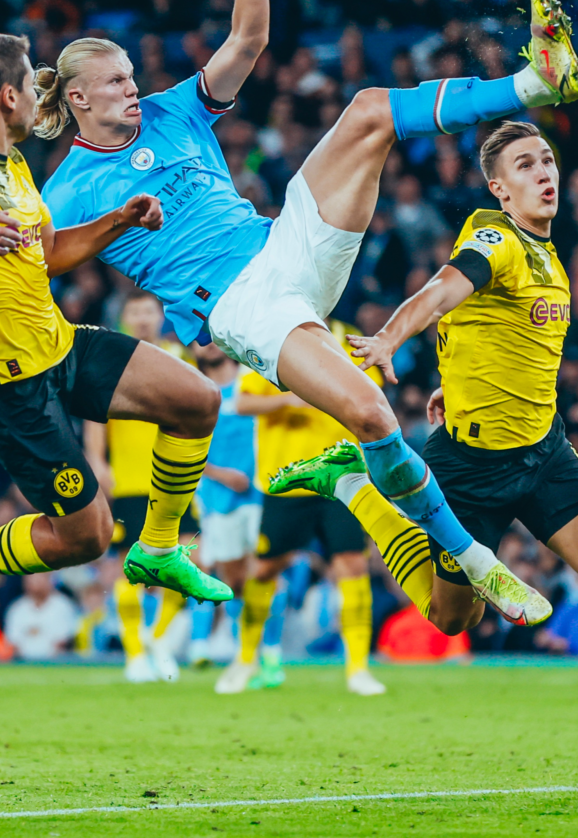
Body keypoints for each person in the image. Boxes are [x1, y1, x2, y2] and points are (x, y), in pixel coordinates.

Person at [29, 0, 578, 626]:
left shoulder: (172, 111)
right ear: (79, 98)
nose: (133, 88)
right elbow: (35, 267)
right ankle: (477, 561)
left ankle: (534, 82)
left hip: (284, 243)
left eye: (132, 75)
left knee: (368, 111)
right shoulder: (68, 189)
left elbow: (248, 40)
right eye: (116, 82)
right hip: (241, 305)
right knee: (371, 413)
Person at [272, 122, 578, 794]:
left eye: (547, 160)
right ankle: (354, 486)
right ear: (500, 188)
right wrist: (390, 338)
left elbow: (492, 332)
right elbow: (444, 290)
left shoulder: (550, 258)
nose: (543, 172)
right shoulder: (496, 237)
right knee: (454, 619)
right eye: (525, 165)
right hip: (471, 466)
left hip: (543, 450)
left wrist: (455, 381)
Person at [0, 32, 231, 614]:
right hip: (8, 387)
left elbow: (49, 250)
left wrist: (121, 219)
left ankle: (158, 549)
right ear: (8, 96)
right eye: (31, 84)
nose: (38, 94)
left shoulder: (12, 163)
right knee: (87, 538)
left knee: (196, 401)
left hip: (59, 346)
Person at [217, 320, 385, 697]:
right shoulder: (270, 337)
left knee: (352, 565)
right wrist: (289, 399)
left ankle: (358, 669)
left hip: (341, 478)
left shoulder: (348, 339)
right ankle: (245, 660)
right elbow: (242, 402)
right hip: (287, 479)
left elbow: (370, 399)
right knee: (264, 570)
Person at [82, 292, 188, 684]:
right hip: (130, 481)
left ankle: (158, 640)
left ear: (161, 316)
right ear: (125, 317)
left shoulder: (181, 357)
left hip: (177, 479)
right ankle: (135, 654)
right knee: (130, 570)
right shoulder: (112, 357)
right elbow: (95, 415)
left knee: (185, 565)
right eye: (135, 312)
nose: (143, 318)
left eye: (148, 311)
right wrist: (98, 461)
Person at [187, 341, 262, 668]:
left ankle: (255, 647)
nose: (208, 343)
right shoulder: (192, 389)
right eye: (199, 339)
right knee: (219, 570)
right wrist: (221, 474)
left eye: (212, 335)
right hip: (217, 496)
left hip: (259, 492)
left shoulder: (254, 380)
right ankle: (205, 643)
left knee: (260, 570)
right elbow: (183, 444)